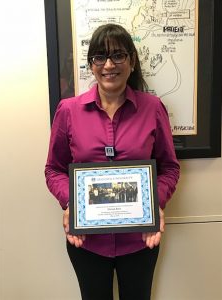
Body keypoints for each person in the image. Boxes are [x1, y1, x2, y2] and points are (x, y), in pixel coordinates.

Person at [45, 23, 180, 300]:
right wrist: (72, 204)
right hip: (87, 242)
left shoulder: (152, 108)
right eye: (100, 57)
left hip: (140, 241)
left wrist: (155, 202)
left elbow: (169, 168)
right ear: (91, 64)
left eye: (118, 55)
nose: (109, 65)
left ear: (131, 60)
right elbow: (54, 169)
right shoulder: (68, 111)